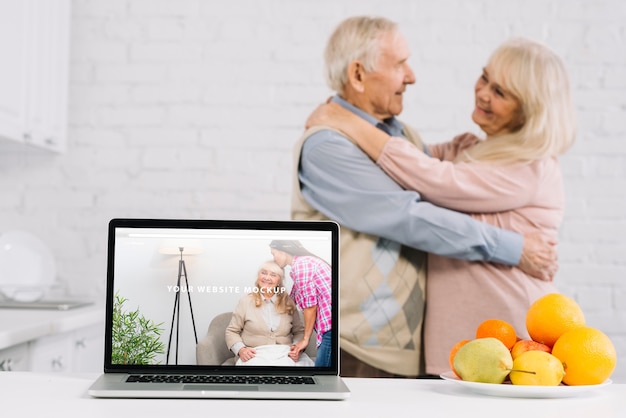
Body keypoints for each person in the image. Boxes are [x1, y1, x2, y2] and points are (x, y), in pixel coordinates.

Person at [291, 16, 557, 378]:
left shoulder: (406, 139)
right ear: (357, 75)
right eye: (400, 64)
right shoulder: (328, 146)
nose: (411, 76)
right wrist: (513, 247)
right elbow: (409, 218)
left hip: (403, 352)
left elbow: (440, 180)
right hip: (351, 347)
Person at [225, 260, 314, 367]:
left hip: (285, 354)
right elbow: (232, 331)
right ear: (258, 277)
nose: (267, 278)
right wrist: (241, 349)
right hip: (255, 355)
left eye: (273, 275)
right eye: (263, 273)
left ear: (279, 281)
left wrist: (296, 349)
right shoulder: (245, 301)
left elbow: (299, 332)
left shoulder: (289, 302)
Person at [269, 240, 333, 367]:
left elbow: (310, 306)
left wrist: (305, 340)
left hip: (330, 326)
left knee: (321, 377)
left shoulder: (302, 266)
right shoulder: (303, 264)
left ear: (283, 251)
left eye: (273, 254)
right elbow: (292, 300)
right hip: (330, 325)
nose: (274, 258)